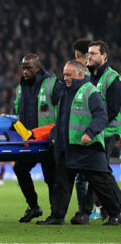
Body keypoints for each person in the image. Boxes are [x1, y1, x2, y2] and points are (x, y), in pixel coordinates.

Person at [37, 60, 121, 226]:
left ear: (80, 75)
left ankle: (117, 214)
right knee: (61, 184)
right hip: (68, 148)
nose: (65, 78)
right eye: (64, 74)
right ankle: (57, 216)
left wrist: (90, 133)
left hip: (87, 149)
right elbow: (62, 119)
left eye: (69, 75)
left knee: (101, 184)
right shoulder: (66, 92)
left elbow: (102, 116)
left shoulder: (90, 91)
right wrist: (55, 133)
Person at [75, 40, 121, 222]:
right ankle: (107, 210)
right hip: (93, 132)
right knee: (98, 172)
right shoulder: (88, 77)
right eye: (88, 53)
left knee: (99, 172)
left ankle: (88, 211)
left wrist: (94, 129)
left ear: (104, 56)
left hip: (108, 132)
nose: (89, 56)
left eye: (93, 54)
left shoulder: (113, 79)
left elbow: (112, 111)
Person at [13, 53, 61, 222]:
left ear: (38, 68)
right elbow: (17, 113)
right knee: (19, 168)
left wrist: (55, 133)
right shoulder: (21, 87)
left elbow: (63, 111)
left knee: (51, 178)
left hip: (48, 140)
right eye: (23, 68)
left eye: (29, 68)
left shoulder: (53, 85)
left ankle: (56, 215)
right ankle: (33, 207)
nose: (24, 71)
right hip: (29, 141)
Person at [71, 38, 92, 216]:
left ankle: (84, 210)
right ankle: (92, 210)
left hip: (85, 132)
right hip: (92, 132)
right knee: (95, 175)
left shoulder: (84, 76)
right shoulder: (98, 75)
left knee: (84, 178)